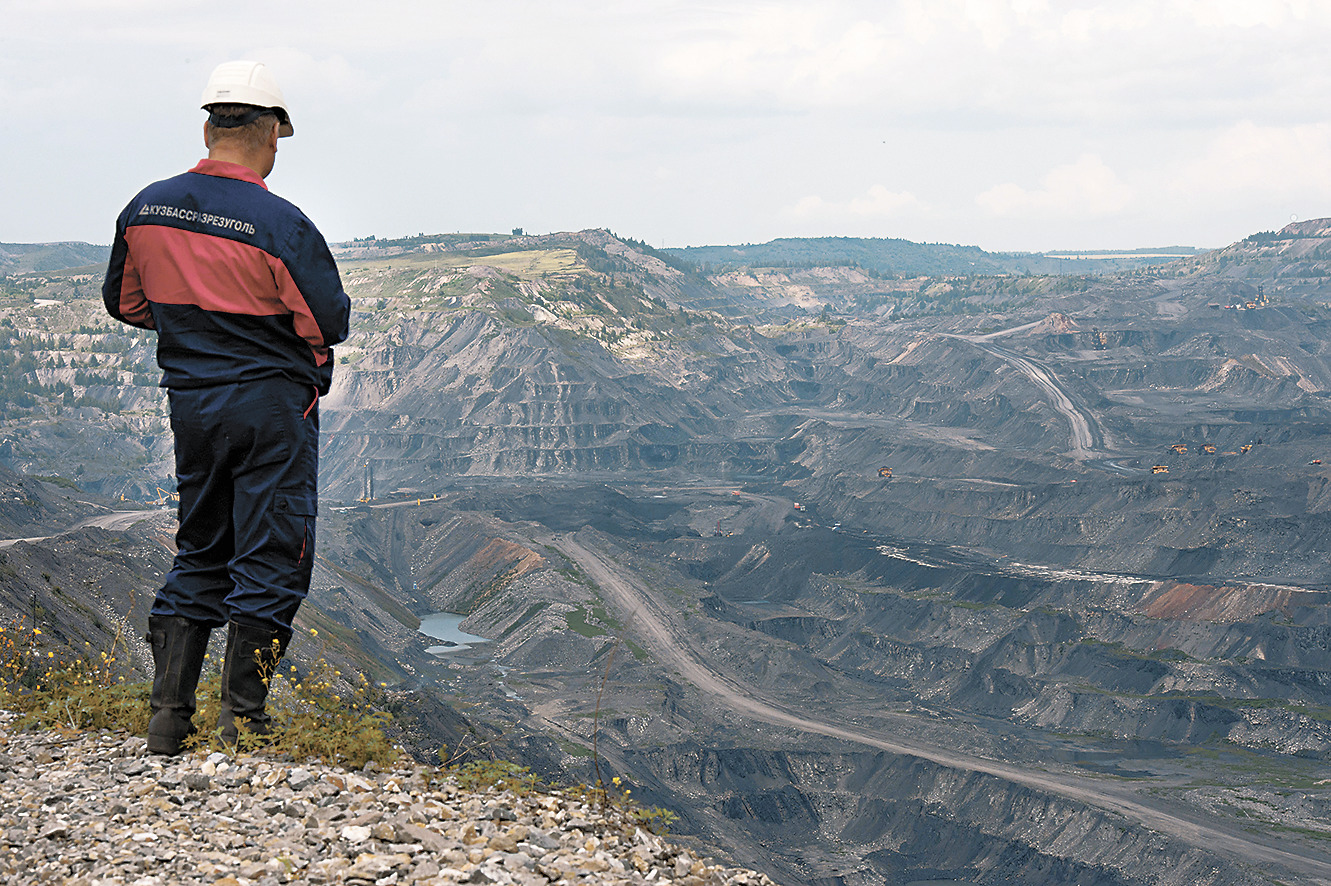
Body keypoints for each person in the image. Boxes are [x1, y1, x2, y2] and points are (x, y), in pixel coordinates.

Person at [102, 60, 351, 754]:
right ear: (270, 130)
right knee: (272, 551)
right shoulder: (280, 223)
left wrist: (198, 330)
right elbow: (326, 322)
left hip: (193, 405)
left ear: (210, 125)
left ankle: (166, 717)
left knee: (201, 547)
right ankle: (244, 722)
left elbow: (126, 302)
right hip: (272, 407)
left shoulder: (146, 207)